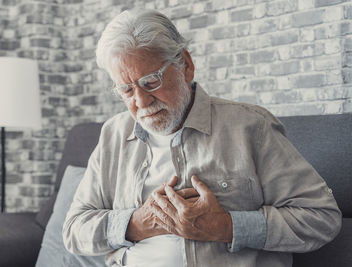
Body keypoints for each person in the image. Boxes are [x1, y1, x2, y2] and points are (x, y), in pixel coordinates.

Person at [63, 9, 342, 267]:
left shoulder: (250, 126)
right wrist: (136, 223)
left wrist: (226, 226)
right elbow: (74, 229)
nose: (141, 101)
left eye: (151, 82)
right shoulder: (113, 134)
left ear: (185, 65)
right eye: (126, 89)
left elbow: (322, 218)